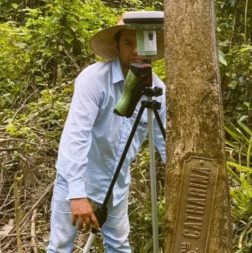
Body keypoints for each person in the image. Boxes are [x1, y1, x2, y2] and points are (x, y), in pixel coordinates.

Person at [47, 11, 166, 253]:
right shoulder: (93, 80)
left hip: (118, 184)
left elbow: (166, 144)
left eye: (141, 42)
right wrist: (77, 194)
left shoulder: (157, 89)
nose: (135, 50)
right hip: (77, 179)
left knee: (120, 246)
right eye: (127, 42)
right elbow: (75, 135)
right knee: (60, 247)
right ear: (117, 45)